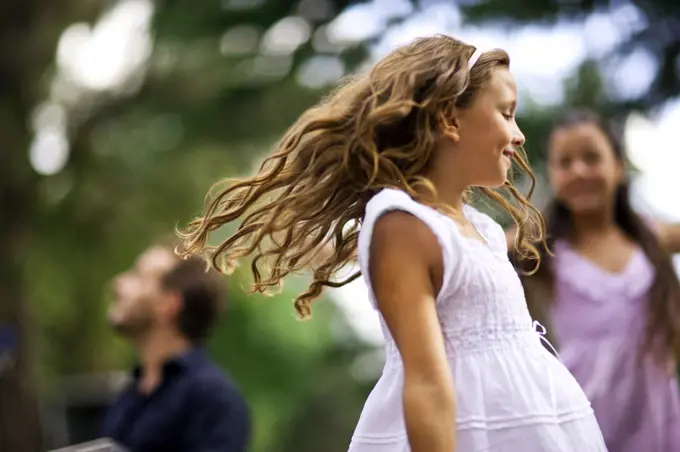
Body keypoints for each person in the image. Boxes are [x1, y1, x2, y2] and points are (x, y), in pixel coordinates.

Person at [177, 35, 607, 451]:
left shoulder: (483, 229)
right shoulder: (403, 222)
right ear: (448, 120)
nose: (519, 135)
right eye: (505, 113)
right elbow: (424, 380)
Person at [509, 108, 680, 452]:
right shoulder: (538, 244)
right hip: (579, 416)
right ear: (553, 174)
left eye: (592, 157)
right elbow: (465, 246)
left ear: (619, 167)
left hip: (655, 416)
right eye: (565, 162)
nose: (579, 171)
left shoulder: (651, 236)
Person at [101, 241, 250, 452]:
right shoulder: (131, 392)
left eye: (138, 277)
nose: (119, 283)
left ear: (168, 305)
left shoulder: (214, 399)